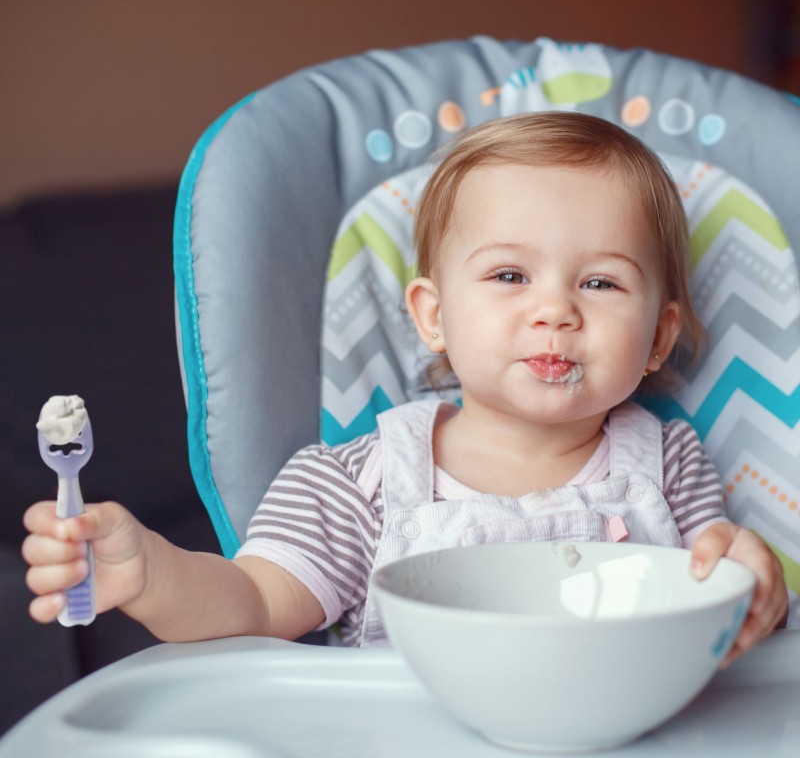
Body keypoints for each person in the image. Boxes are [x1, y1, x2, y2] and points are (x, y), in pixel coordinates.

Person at [22, 112, 787, 664]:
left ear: (657, 337)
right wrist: (150, 574)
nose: (555, 309)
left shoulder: (668, 463)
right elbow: (252, 605)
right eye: (509, 275)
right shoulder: (357, 481)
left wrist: (750, 586)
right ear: (434, 316)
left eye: (600, 281)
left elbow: (718, 617)